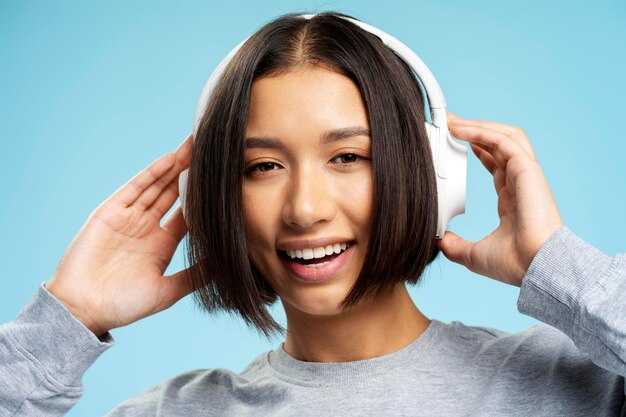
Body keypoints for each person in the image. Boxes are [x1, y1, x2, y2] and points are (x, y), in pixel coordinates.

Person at [1, 11, 624, 416]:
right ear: (214, 198)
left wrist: (562, 270)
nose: (303, 209)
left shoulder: (576, 386)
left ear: (430, 176)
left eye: (348, 156)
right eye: (262, 167)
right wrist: (64, 322)